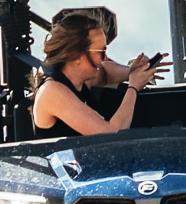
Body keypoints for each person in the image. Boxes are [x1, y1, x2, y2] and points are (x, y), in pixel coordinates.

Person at [31, 13, 165, 138]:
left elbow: (105, 73)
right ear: (76, 55)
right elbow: (112, 135)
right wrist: (133, 87)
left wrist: (132, 72)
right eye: (101, 51)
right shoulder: (52, 92)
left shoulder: (80, 78)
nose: (106, 57)